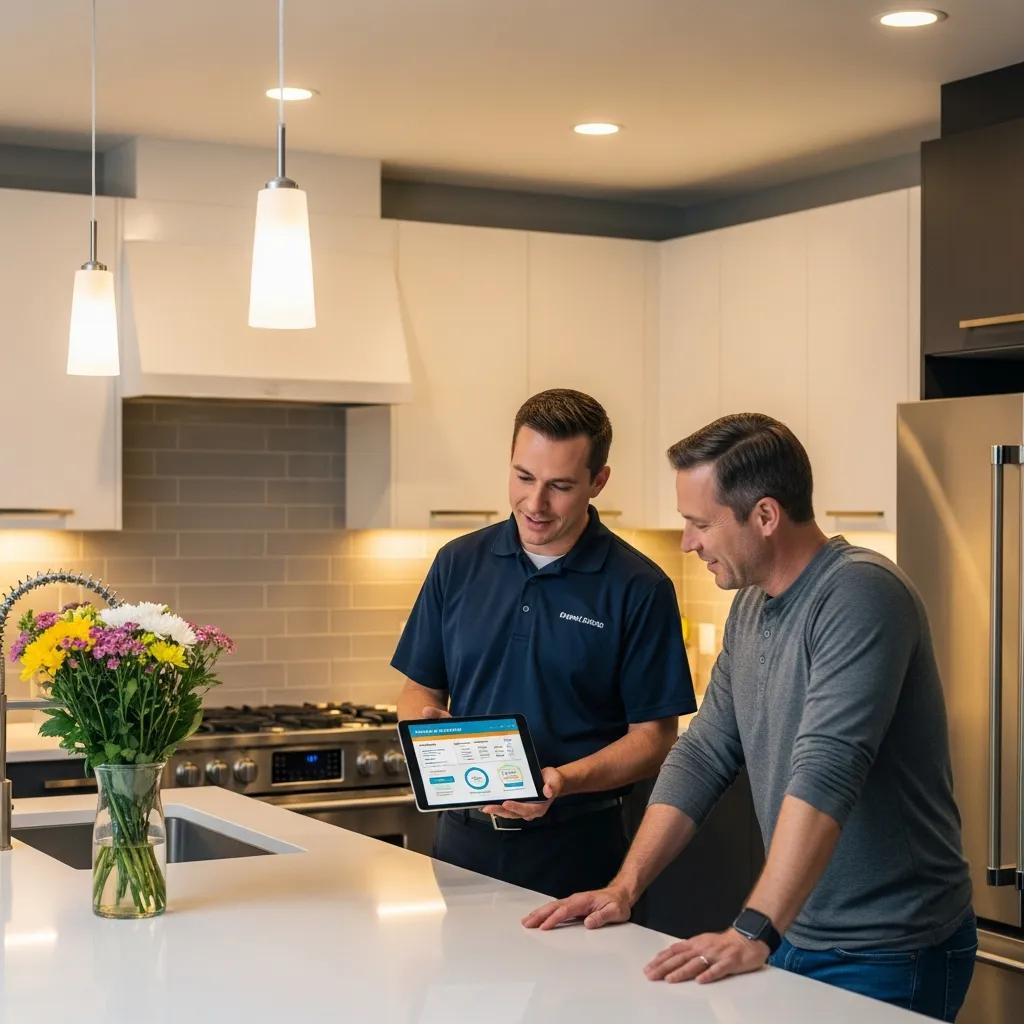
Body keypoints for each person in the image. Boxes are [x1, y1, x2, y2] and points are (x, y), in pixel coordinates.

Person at [523, 412, 976, 1022]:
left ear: (764, 516)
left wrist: (754, 929)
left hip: (890, 946)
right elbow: (706, 751)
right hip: (798, 931)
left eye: (700, 523)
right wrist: (624, 887)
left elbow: (830, 767)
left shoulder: (861, 595)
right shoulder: (754, 607)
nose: (688, 542)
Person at [392, 388, 696, 898]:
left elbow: (655, 739)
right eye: (523, 477)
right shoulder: (457, 563)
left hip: (578, 853)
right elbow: (419, 689)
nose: (535, 504)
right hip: (460, 847)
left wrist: (561, 781)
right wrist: (421, 726)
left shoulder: (640, 588)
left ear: (598, 482)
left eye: (560, 486)